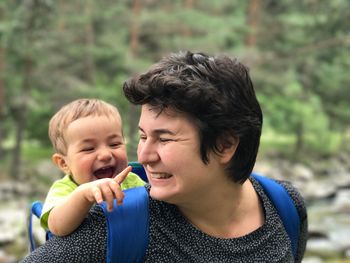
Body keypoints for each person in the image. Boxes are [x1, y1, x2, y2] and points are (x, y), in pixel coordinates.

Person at [22, 51, 307, 262]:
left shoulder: (285, 207)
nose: (143, 155)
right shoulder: (111, 228)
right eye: (143, 136)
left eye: (164, 138)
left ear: (225, 145)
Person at [40, 98, 145, 236]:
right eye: (89, 148)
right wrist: (84, 196)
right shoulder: (65, 189)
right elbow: (57, 227)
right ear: (64, 163)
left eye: (114, 144)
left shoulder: (132, 181)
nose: (105, 155)